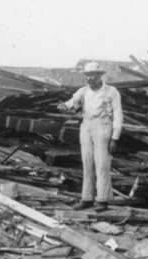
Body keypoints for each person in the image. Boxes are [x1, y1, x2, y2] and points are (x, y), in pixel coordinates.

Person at [57, 61, 123, 212]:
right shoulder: (83, 91)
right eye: (87, 75)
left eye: (93, 75)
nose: (90, 78)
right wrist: (63, 106)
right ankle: (86, 198)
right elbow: (69, 104)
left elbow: (118, 115)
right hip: (86, 127)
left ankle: (102, 200)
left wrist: (115, 137)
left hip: (103, 127)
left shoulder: (111, 92)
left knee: (102, 164)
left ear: (100, 76)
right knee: (87, 163)